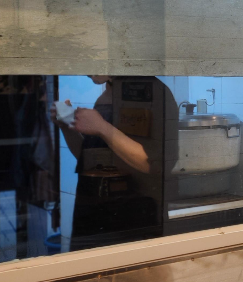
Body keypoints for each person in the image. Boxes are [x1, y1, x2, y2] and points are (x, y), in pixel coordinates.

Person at [54, 75, 178, 250]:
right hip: (93, 209)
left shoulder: (154, 92)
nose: (84, 72)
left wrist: (102, 127)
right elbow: (91, 161)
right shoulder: (103, 98)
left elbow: (157, 164)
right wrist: (67, 127)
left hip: (132, 213)